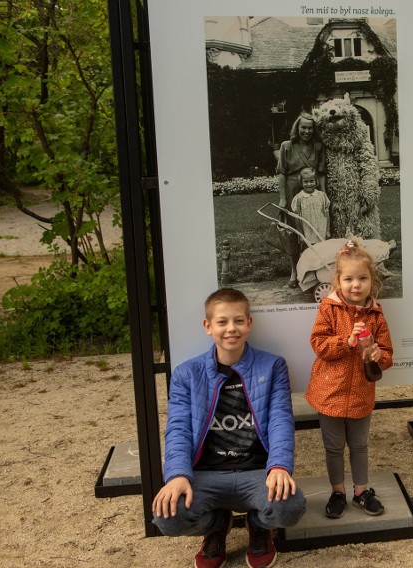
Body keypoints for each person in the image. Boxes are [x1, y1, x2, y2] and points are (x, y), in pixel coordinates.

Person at [152, 288, 306, 568]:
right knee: (167, 517)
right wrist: (176, 474)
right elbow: (178, 429)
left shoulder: (273, 366)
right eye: (222, 322)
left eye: (238, 321)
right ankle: (216, 525)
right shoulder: (187, 373)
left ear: (249, 323)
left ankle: (259, 524)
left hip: (256, 471)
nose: (231, 329)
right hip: (207, 474)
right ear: (208, 326)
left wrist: (280, 466)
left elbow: (281, 420)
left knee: (291, 505)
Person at [305, 238, 394, 519]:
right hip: (329, 393)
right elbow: (319, 345)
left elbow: (388, 353)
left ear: (372, 280)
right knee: (333, 447)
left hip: (360, 394)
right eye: (349, 279)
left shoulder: (376, 315)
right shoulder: (328, 309)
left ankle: (361, 492)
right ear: (338, 281)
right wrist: (347, 341)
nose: (356, 285)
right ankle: (338, 491)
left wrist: (380, 355)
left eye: (362, 278)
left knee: (359, 445)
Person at [276, 112, 327, 287]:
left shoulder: (319, 147)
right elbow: (281, 174)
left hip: (312, 191)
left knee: (313, 228)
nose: (306, 131)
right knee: (293, 229)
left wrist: (324, 196)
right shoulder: (286, 146)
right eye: (303, 127)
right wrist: (283, 198)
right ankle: (294, 269)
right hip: (292, 190)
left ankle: (313, 268)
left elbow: (321, 174)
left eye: (310, 128)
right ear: (297, 128)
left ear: (314, 130)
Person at [290, 167, 330, 246]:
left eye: (312, 181)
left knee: (322, 249)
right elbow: (297, 219)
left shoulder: (322, 196)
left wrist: (328, 231)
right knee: (309, 250)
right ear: (301, 183)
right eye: (306, 182)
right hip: (307, 231)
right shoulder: (299, 198)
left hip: (321, 229)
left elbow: (327, 214)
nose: (309, 184)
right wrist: (300, 235)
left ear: (316, 181)